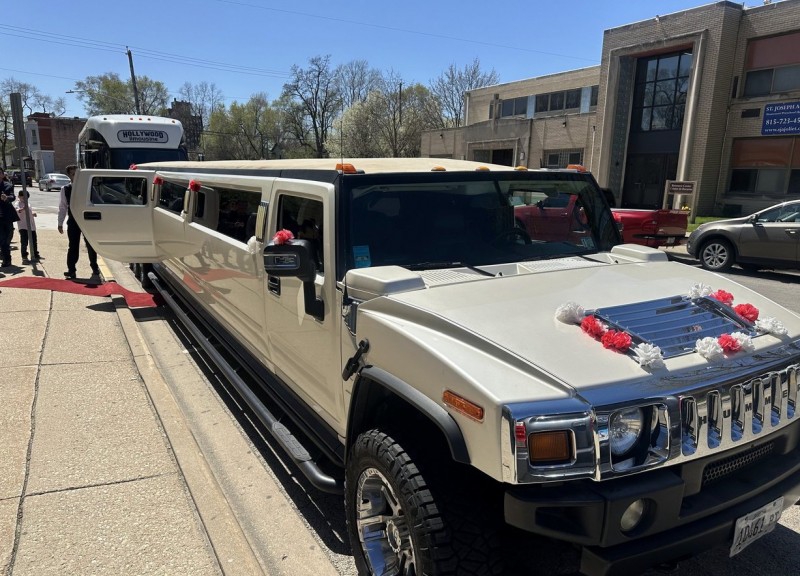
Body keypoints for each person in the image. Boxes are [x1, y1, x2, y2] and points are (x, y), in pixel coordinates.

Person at [58, 164, 100, 278]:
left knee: (91, 245)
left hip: (87, 221)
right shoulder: (65, 189)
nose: (76, 176)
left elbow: (97, 203)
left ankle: (95, 267)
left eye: (78, 173)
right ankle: (71, 269)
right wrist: (60, 223)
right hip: (73, 221)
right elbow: (62, 207)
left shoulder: (88, 187)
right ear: (69, 176)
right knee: (73, 246)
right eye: (73, 174)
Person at [0, 167, 19, 268]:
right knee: (2, 239)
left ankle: (7, 259)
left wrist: (6, 198)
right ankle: (5, 258)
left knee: (5, 239)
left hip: (6, 216)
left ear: (3, 175)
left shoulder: (8, 185)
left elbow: (12, 196)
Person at [15, 190, 41, 263]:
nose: (24, 199)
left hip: (31, 226)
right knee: (24, 242)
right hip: (23, 226)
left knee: (33, 241)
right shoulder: (18, 203)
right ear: (19, 196)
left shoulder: (28, 204)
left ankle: (35, 254)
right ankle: (24, 256)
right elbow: (17, 210)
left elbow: (29, 212)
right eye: (23, 197)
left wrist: (32, 213)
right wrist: (22, 209)